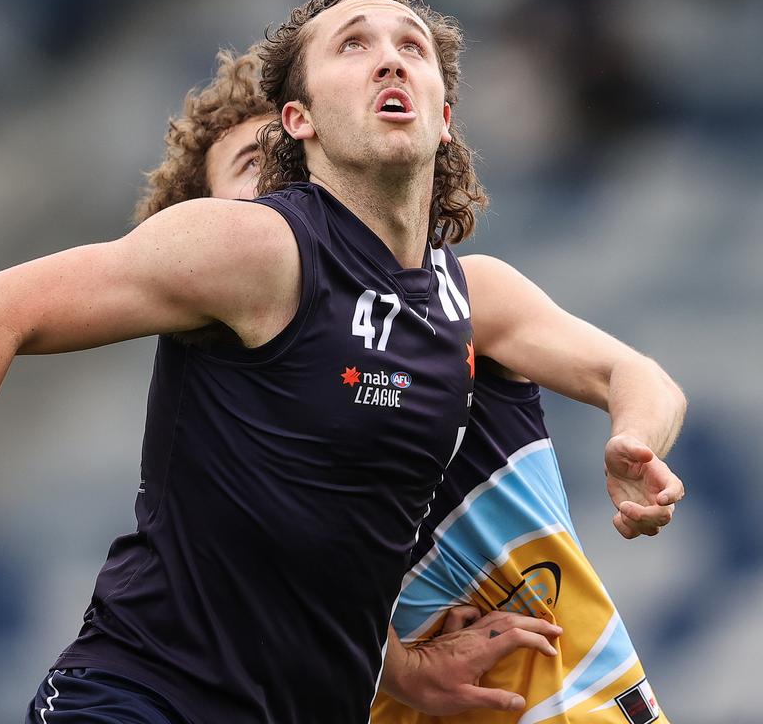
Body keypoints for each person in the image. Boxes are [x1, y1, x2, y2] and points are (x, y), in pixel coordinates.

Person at [0, 0, 683, 724]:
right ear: (298, 121)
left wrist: (632, 441)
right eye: (354, 45)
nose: (390, 60)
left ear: (447, 121)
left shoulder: (468, 297)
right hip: (143, 696)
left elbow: (330, 542)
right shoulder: (259, 251)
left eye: (411, 46)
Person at [135, 46, 678, 722]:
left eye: (289, 160)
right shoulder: (217, 430)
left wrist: (637, 441)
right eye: (251, 167)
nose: (279, 184)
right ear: (198, 222)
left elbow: (635, 376)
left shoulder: (465, 296)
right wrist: (402, 669)